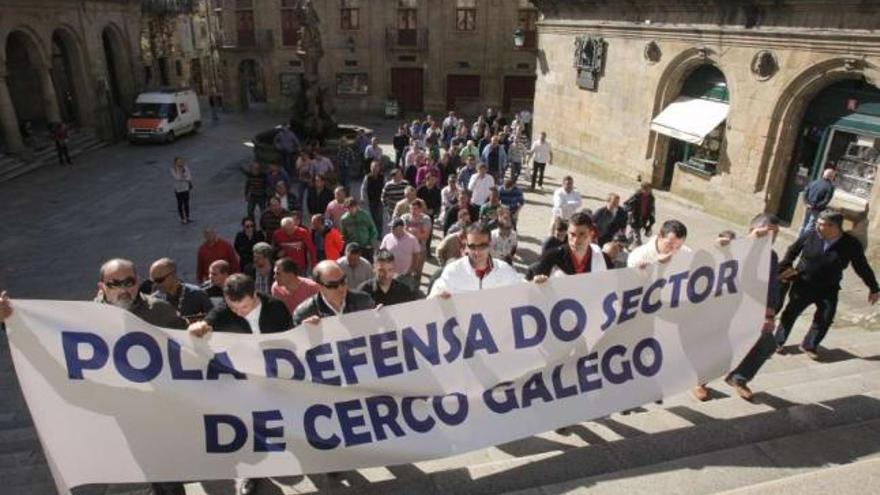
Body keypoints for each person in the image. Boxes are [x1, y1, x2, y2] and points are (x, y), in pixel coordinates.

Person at [1, 260, 188, 495]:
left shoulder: (159, 311)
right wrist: (11, 320)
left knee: (168, 475)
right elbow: (47, 340)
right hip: (116, 413)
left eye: (129, 282)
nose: (123, 289)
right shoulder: (82, 319)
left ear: (138, 282)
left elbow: (189, 350)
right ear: (102, 286)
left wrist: (198, 331)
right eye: (115, 283)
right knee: (143, 468)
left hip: (157, 410)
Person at [188, 273, 292, 495]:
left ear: (255, 295)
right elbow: (206, 324)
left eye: (243, 307)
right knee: (249, 432)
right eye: (233, 308)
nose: (238, 312)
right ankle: (251, 475)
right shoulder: (225, 311)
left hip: (276, 379)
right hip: (245, 385)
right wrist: (199, 327)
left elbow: (293, 339)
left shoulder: (276, 307)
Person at [774, 209, 879, 360]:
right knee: (791, 314)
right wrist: (782, 270)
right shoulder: (810, 235)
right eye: (818, 223)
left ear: (835, 226)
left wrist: (874, 288)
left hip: (829, 288)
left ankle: (809, 344)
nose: (818, 226)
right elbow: (792, 251)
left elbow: (861, 267)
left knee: (825, 317)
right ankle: (778, 341)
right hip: (803, 283)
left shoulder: (850, 244)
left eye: (822, 224)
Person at [724, 214, 784, 401]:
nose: (771, 239)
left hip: (753, 311)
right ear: (753, 231)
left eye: (775, 235)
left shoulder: (772, 257)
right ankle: (700, 381)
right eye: (767, 234)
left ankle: (739, 378)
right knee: (721, 348)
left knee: (767, 344)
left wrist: (770, 314)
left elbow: (772, 286)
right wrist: (751, 241)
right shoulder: (734, 248)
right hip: (727, 310)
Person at [429, 223, 523, 297]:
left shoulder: (504, 270)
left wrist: (537, 285)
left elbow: (524, 289)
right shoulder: (452, 271)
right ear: (466, 245)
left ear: (490, 243)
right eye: (472, 246)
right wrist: (438, 300)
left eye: (482, 246)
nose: (477, 252)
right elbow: (431, 302)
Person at [527, 211, 610, 281]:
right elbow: (533, 290)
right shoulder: (551, 257)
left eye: (582, 234)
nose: (576, 240)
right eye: (572, 234)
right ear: (567, 233)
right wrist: (538, 282)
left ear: (591, 234)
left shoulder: (601, 258)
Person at [291, 260, 376, 327]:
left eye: (343, 281)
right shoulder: (304, 313)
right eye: (332, 285)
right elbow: (300, 346)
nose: (340, 288)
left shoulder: (364, 302)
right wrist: (304, 332)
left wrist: (382, 317)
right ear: (319, 286)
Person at [149, 257, 214, 324]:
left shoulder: (197, 294)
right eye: (153, 281)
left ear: (172, 275)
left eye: (159, 280)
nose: (156, 285)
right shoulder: (155, 299)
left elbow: (213, 319)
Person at [627, 219, 691, 268]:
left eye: (678, 246)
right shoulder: (637, 257)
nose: (674, 251)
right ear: (660, 236)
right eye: (670, 244)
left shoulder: (687, 254)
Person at [380, 218, 422, 290]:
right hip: (390, 274)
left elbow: (416, 255)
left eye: (393, 228)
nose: (391, 230)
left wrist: (412, 269)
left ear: (401, 228)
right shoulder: (387, 237)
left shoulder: (412, 239)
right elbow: (382, 252)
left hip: (406, 275)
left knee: (405, 295)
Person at [798, 168, 836, 238]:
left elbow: (805, 192)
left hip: (808, 207)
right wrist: (815, 206)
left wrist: (806, 203)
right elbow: (826, 200)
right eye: (833, 176)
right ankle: (803, 241)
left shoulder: (814, 182)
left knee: (803, 224)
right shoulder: (830, 187)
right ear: (831, 177)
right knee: (810, 226)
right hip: (816, 209)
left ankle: (799, 239)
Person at [402, 199, 432, 276]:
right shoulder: (405, 218)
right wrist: (416, 233)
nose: (413, 211)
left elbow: (426, 236)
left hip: (420, 250)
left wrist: (411, 233)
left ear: (420, 209)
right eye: (411, 209)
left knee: (417, 274)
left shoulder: (426, 219)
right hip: (406, 249)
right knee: (405, 273)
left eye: (415, 209)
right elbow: (401, 233)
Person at [361, 160, 387, 240]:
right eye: (373, 167)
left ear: (379, 168)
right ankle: (372, 235)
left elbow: (386, 188)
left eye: (376, 167)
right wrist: (363, 198)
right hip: (370, 201)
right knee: (371, 219)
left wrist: (385, 199)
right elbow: (363, 189)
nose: (375, 169)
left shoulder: (383, 177)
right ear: (370, 168)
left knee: (379, 219)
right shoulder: (367, 177)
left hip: (379, 201)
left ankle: (379, 235)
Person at [171, 157, 193, 225]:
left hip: (186, 188)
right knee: (180, 204)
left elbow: (189, 177)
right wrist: (183, 175)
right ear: (175, 163)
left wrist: (184, 176)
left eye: (181, 161)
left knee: (186, 203)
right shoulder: (173, 169)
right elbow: (177, 178)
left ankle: (188, 217)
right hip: (178, 189)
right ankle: (182, 218)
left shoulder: (185, 168)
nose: (180, 163)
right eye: (178, 162)